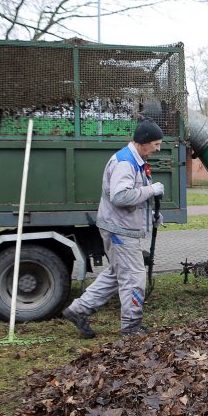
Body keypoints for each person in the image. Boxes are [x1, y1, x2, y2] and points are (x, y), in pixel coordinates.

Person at [61, 118, 165, 338]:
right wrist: (152, 190)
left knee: (116, 274)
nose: (158, 148)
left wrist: (152, 215)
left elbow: (133, 196)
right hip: (120, 232)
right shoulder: (125, 163)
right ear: (143, 142)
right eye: (156, 144)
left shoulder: (135, 160)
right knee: (135, 278)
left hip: (119, 228)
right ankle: (131, 327)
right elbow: (120, 196)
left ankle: (78, 310)